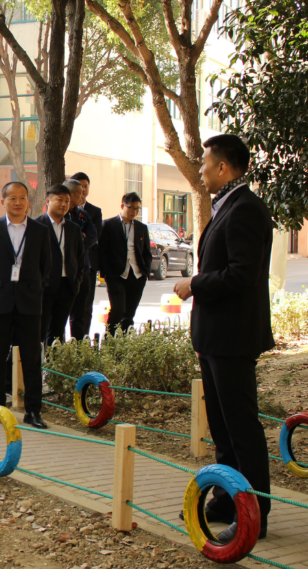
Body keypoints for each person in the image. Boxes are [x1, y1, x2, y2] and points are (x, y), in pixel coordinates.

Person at [174, 134, 274, 542]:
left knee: (241, 428)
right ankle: (226, 498)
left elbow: (241, 274)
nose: (200, 170)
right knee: (221, 427)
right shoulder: (227, 205)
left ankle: (255, 514)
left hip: (233, 337)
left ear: (222, 167)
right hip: (215, 336)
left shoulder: (246, 208)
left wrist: (194, 284)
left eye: (204, 163)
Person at [0, 182, 51, 429]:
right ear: (3, 202)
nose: (18, 202)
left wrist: (33, 287)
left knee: (31, 359)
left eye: (22, 198)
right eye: (12, 198)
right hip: (0, 303)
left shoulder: (40, 230)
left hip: (30, 303)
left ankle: (33, 411)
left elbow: (46, 266)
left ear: (28, 201)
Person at [98, 192, 152, 335]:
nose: (134, 212)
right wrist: (107, 273)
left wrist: (145, 272)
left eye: (137, 209)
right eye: (131, 207)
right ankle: (110, 340)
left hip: (137, 275)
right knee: (118, 310)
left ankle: (125, 342)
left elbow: (146, 252)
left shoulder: (141, 228)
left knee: (129, 313)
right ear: (122, 206)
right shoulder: (108, 225)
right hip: (116, 275)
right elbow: (102, 251)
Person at [36, 184, 84, 346]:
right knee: (40, 329)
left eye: (67, 201)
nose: (64, 204)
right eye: (60, 200)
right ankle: (37, 361)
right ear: (47, 201)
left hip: (67, 286)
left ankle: (53, 361)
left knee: (57, 332)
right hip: (44, 287)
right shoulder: (36, 225)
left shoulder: (73, 228)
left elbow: (80, 258)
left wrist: (76, 282)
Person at [68, 173, 102, 341]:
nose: (82, 192)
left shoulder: (89, 213)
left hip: (85, 267)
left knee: (83, 309)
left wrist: (78, 243)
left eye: (85, 188)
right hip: (65, 269)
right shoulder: (60, 213)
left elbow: (93, 236)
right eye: (79, 189)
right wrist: (79, 237)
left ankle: (81, 343)